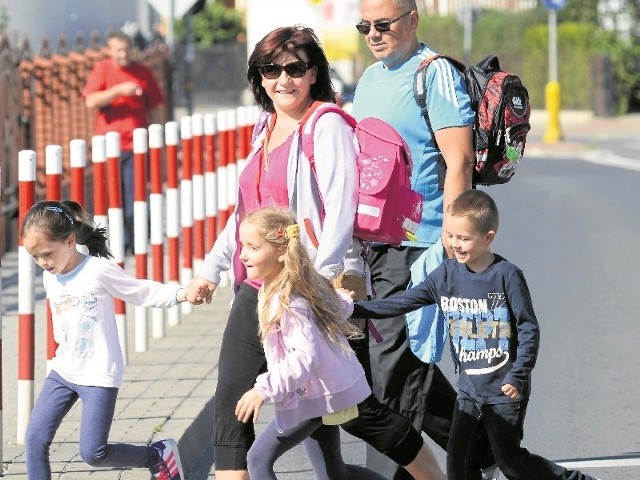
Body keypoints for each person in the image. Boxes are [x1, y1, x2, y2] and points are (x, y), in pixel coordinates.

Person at [185, 25, 444, 480]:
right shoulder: (263, 129)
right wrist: (210, 269)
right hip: (257, 286)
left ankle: (432, 473)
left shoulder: (324, 125)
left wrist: (317, 284)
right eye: (271, 69)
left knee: (353, 409)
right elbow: (246, 213)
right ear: (258, 76)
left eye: (294, 69)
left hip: (308, 287)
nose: (282, 79)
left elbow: (340, 209)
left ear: (313, 74)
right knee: (231, 397)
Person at [349, 190, 598, 480]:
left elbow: (528, 327)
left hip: (504, 388)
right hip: (469, 389)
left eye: (464, 238)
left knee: (511, 462)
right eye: (450, 236)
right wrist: (355, 309)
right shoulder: (446, 274)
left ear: (488, 237)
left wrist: (519, 374)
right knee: (459, 466)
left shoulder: (506, 276)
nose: (455, 244)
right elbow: (404, 302)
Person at [350, 0, 485, 477]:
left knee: (393, 372)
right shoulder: (368, 79)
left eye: (382, 24)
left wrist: (452, 235)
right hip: (374, 246)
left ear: (412, 19)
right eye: (365, 25)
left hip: (420, 243)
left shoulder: (434, 74)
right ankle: (480, 450)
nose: (373, 34)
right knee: (398, 363)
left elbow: (460, 161)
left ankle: (413, 470)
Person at [22, 200, 186, 480]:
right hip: (63, 371)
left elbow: (139, 292)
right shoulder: (50, 278)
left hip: (98, 374)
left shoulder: (97, 271)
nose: (42, 263)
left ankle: (157, 455)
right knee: (34, 439)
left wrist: (180, 294)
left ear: (70, 241)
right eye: (35, 257)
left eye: (47, 254)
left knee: (93, 453)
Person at [233, 207, 386, 480]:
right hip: (314, 391)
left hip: (313, 393)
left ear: (281, 251)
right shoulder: (286, 284)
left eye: (253, 247)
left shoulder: (288, 298)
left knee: (257, 459)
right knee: (334, 474)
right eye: (242, 245)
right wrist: (343, 300)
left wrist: (262, 390)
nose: (243, 255)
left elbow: (305, 355)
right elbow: (332, 304)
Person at [83, 30, 165, 254]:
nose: (123, 54)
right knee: (112, 197)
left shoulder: (142, 71)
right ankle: (117, 241)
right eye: (118, 50)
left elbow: (157, 106)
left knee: (134, 197)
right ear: (110, 51)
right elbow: (91, 100)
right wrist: (118, 90)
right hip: (109, 146)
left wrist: (159, 137)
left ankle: (134, 241)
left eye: (126, 49)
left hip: (136, 146)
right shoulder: (103, 69)